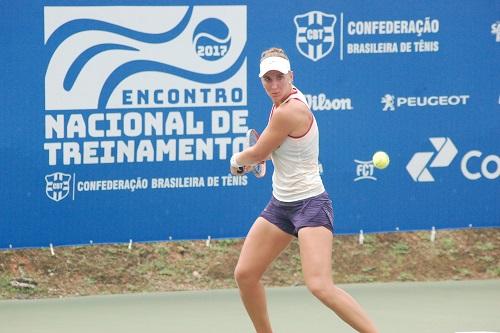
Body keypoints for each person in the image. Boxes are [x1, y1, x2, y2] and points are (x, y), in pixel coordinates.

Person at [229, 47, 379, 333]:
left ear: (291, 76)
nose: (274, 85)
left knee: (320, 286)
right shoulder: (280, 104)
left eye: (279, 78)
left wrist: (237, 161)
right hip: (281, 205)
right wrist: (258, 157)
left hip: (310, 204)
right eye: (268, 79)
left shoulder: (291, 109)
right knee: (246, 274)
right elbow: (272, 150)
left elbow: (259, 150)